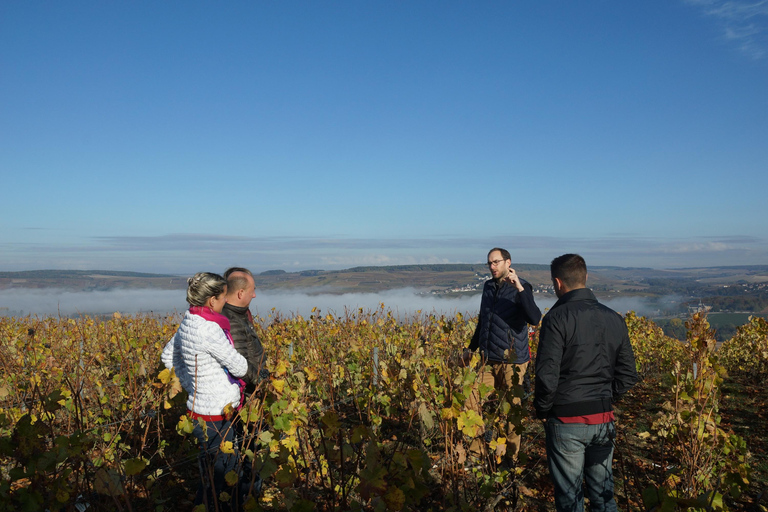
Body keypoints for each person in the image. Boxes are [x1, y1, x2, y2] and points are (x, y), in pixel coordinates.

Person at [534, 254, 638, 512]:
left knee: (570, 500)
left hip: (566, 421)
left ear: (558, 283)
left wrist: (544, 410)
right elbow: (628, 375)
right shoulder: (615, 318)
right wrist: (605, 398)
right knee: (604, 497)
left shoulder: (556, 319)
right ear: (586, 278)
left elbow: (547, 376)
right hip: (603, 418)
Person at [161, 272, 248, 510]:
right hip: (217, 411)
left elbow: (167, 355)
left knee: (211, 470)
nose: (224, 302)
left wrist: (191, 383)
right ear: (212, 300)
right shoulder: (210, 329)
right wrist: (197, 381)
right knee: (218, 475)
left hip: (199, 409)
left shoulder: (189, 321)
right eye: (222, 297)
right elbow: (240, 367)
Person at [463, 247, 542, 464]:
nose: (492, 266)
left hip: (513, 362)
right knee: (470, 400)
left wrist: (519, 288)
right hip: (488, 359)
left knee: (512, 411)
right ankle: (477, 451)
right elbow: (483, 322)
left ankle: (510, 458)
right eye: (489, 263)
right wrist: (471, 349)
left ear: (508, 262)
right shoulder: (488, 286)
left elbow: (534, 318)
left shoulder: (522, 286)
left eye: (496, 262)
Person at [222, 267, 267, 394]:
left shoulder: (240, 314)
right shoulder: (231, 321)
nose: (254, 295)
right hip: (247, 393)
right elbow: (240, 364)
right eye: (252, 291)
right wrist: (262, 381)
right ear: (240, 293)